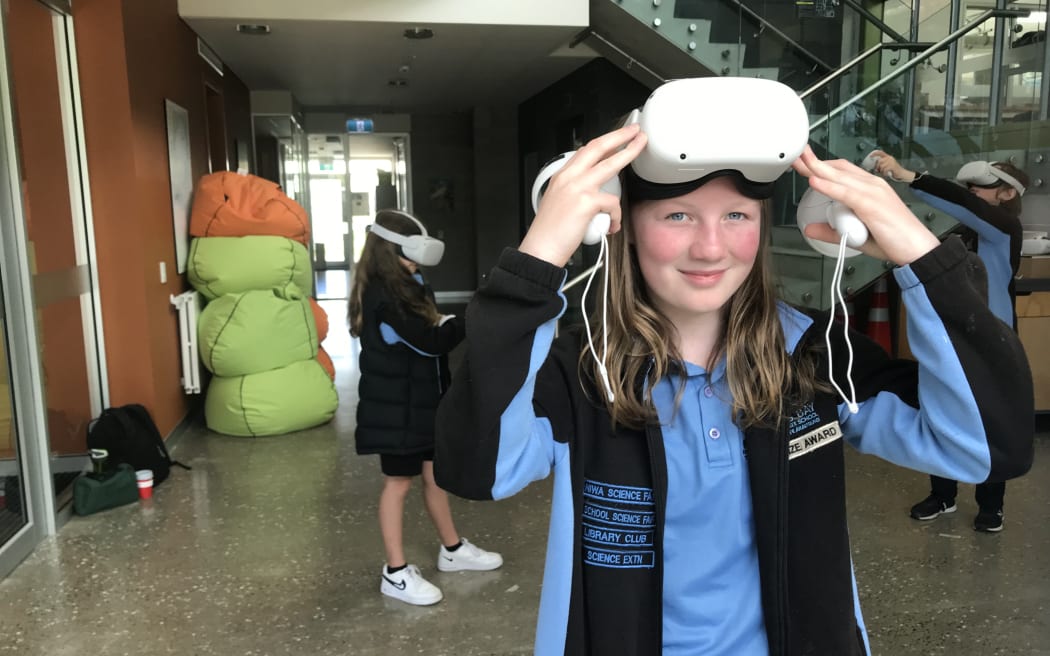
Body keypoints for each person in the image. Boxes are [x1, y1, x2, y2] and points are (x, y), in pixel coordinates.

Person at [434, 123, 1034, 655]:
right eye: (678, 215)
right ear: (618, 225)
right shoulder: (581, 370)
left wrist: (923, 259)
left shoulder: (814, 355)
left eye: (736, 216)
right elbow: (479, 469)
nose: (711, 248)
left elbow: (985, 448)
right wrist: (537, 260)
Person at [348, 208, 502, 606]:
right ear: (388, 252)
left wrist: (449, 318)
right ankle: (395, 573)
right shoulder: (385, 296)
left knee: (436, 479)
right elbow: (432, 342)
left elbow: (427, 329)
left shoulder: (408, 283)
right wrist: (472, 316)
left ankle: (451, 550)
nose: (415, 261)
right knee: (398, 484)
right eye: (408, 253)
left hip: (424, 406)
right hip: (396, 413)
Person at [870, 151, 1029, 533]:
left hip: (991, 347)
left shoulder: (1005, 230)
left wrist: (909, 176)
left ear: (1007, 195)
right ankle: (942, 496)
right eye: (971, 186)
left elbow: (967, 205)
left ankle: (992, 506)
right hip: (949, 342)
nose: (973, 191)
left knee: (989, 422)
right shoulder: (961, 234)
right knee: (938, 414)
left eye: (984, 187)